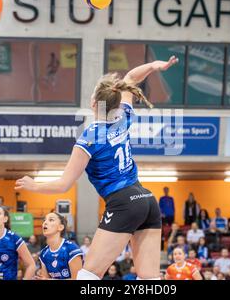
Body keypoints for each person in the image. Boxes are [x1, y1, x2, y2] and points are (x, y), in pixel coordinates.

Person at [15, 56, 179, 280]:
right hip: (147, 200)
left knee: (88, 276)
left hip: (123, 203)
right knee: (149, 279)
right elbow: (131, 78)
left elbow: (64, 184)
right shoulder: (123, 116)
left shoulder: (89, 137)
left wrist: (34, 186)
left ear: (94, 103)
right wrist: (153, 66)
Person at [36, 212, 83, 280]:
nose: (45, 223)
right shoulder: (43, 253)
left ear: (60, 227)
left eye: (51, 220)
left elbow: (78, 279)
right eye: (44, 220)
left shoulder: (71, 249)